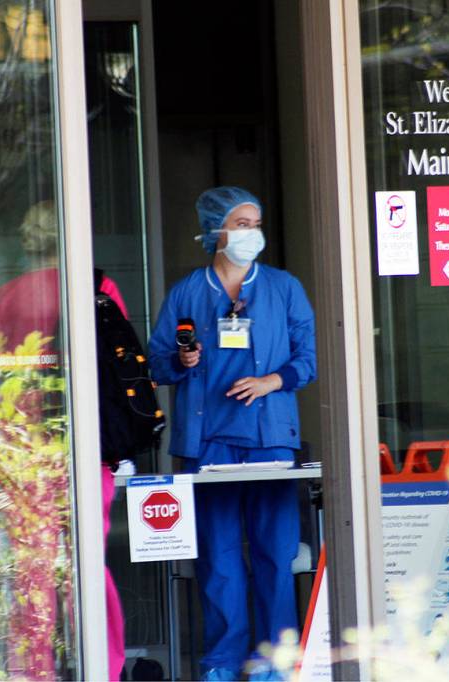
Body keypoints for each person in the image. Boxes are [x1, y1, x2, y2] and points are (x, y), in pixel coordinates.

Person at [148, 187, 317, 681]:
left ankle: (275, 662)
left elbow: (308, 357)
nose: (251, 233)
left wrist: (272, 381)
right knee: (218, 562)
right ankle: (222, 662)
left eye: (255, 223)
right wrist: (181, 361)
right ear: (215, 231)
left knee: (274, 556)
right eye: (241, 224)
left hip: (270, 439)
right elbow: (156, 362)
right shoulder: (186, 293)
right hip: (208, 445)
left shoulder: (284, 288)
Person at [0, 200, 127, 680]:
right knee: (87, 566)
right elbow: (118, 363)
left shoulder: (1, 298)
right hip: (83, 447)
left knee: (32, 571)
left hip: (23, 451)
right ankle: (102, 663)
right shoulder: (96, 287)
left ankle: (34, 668)